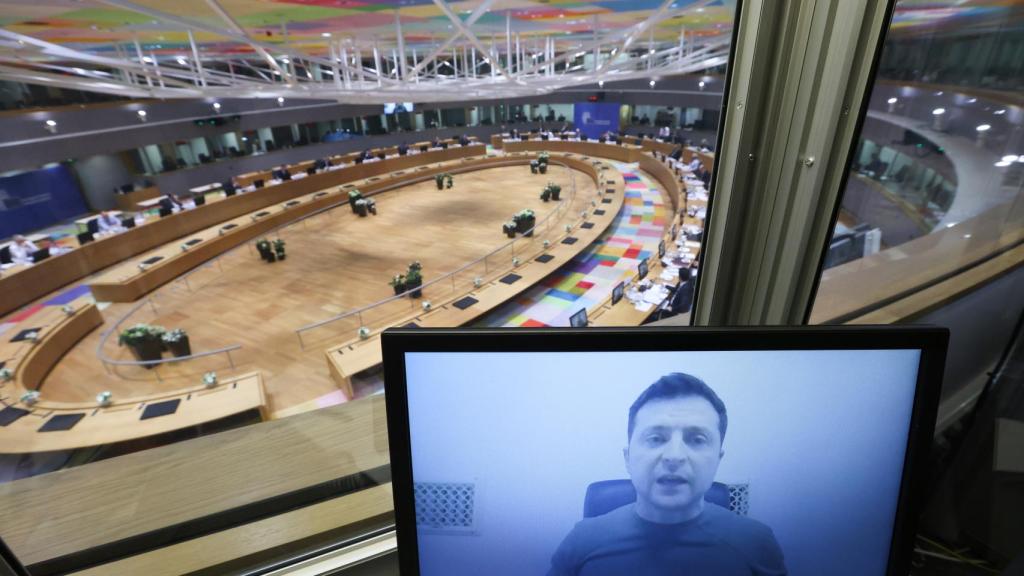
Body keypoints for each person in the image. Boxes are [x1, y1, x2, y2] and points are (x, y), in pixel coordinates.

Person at [548, 373, 786, 576]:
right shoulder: (581, 541)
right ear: (628, 458)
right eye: (656, 438)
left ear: (718, 460)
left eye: (696, 439)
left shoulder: (757, 543)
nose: (674, 456)